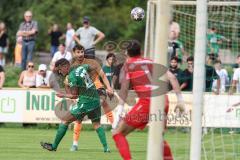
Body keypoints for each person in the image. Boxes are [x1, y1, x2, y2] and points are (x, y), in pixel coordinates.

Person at [111, 40, 185, 160]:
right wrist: (180, 100)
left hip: (148, 102)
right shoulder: (152, 61)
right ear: (141, 51)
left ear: (126, 53)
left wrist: (119, 110)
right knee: (158, 138)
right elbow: (172, 78)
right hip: (164, 100)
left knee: (118, 133)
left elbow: (124, 90)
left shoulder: (128, 65)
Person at [40, 58, 110, 152]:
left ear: (66, 66)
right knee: (97, 124)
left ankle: (54, 146)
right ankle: (106, 148)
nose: (60, 72)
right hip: (96, 100)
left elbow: (74, 95)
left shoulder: (72, 76)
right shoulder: (81, 67)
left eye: (60, 69)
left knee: (65, 120)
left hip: (85, 103)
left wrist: (63, 95)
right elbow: (93, 67)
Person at [69, 44, 114, 151]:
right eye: (78, 52)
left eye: (82, 52)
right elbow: (71, 83)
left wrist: (109, 88)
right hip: (84, 94)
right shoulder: (72, 66)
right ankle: (75, 144)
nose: (81, 54)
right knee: (79, 119)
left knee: (103, 101)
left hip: (98, 89)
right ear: (74, 53)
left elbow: (103, 76)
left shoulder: (93, 63)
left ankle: (114, 125)